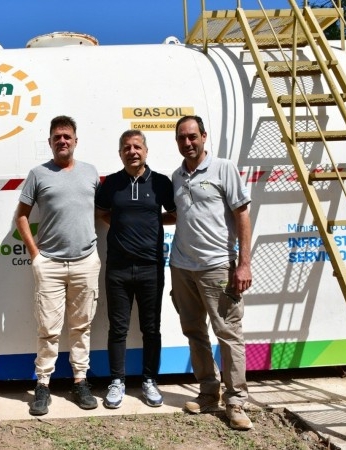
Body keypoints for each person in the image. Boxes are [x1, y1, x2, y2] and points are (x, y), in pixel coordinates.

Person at [168, 115, 254, 430]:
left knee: (228, 334)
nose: (187, 142)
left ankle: (236, 402)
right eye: (182, 138)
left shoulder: (223, 168)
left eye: (192, 136)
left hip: (217, 265)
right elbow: (180, 215)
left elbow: (242, 214)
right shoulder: (177, 176)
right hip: (182, 267)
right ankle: (208, 392)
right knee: (194, 331)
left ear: (204, 136)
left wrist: (244, 263)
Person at [14, 115, 101, 416]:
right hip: (49, 263)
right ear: (50, 142)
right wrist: (35, 255)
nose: (62, 141)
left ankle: (80, 381)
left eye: (67, 136)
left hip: (85, 262)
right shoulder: (38, 174)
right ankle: (43, 385)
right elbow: (21, 216)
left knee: (81, 326)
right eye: (57, 137)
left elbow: (102, 211)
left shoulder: (91, 173)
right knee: (48, 329)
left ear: (75, 140)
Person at [94, 130, 176, 409]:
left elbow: (175, 213)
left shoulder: (161, 182)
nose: (132, 151)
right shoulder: (111, 183)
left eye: (137, 146)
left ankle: (149, 380)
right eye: (126, 148)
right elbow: (101, 212)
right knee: (118, 329)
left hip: (151, 267)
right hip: (117, 268)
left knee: (151, 329)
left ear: (146, 151)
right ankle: (117, 381)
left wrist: (152, 221)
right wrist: (120, 225)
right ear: (120, 153)